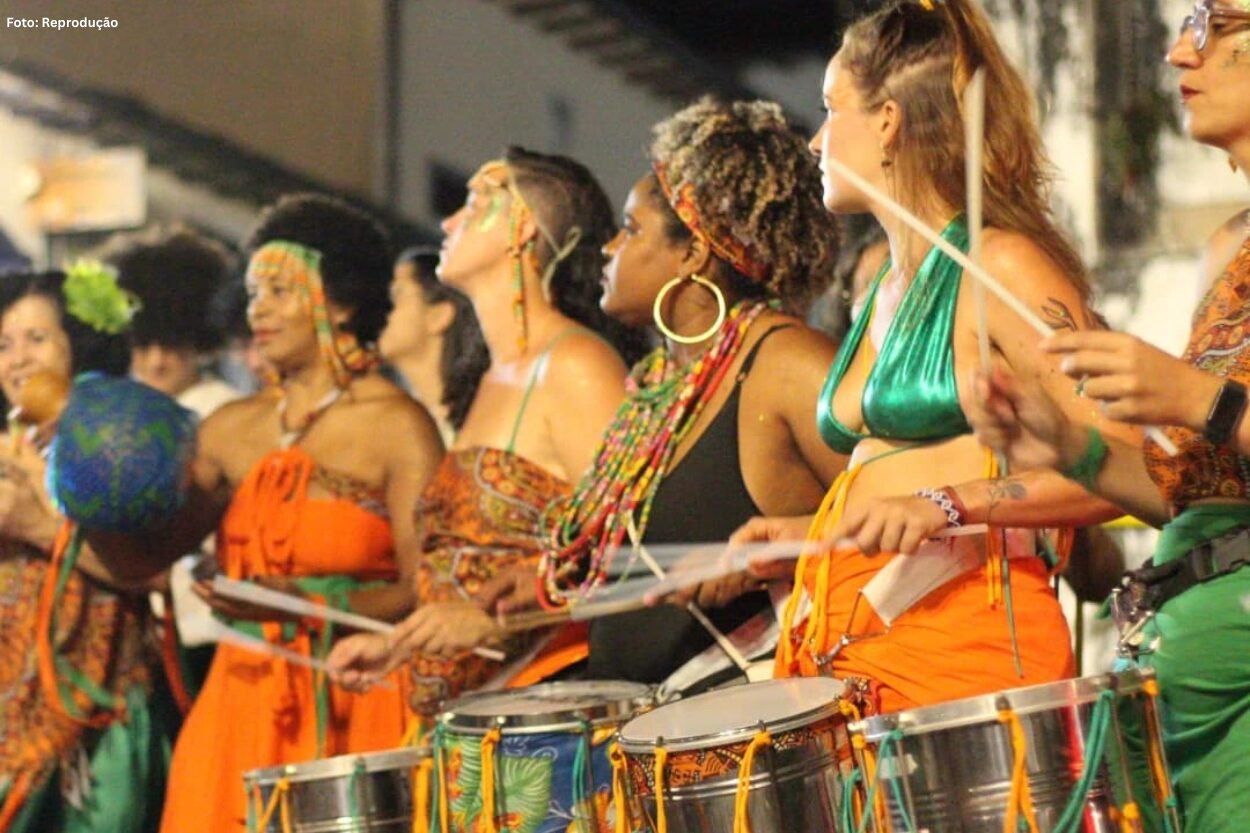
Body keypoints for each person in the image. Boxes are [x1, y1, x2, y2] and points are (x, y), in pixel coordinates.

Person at [731, 0, 1135, 716]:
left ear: (888, 120)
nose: (816, 141)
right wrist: (810, 538)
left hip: (964, 664)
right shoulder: (885, 287)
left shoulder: (999, 265)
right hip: (853, 661)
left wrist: (950, 504)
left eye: (831, 109)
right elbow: (900, 475)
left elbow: (1125, 465)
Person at [964, 2, 1250, 827]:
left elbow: (1213, 412)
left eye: (1210, 24)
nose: (1177, 52)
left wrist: (1198, 397)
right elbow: (1185, 500)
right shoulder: (1228, 247)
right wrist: (1059, 440)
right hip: (1183, 700)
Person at [81, 193, 445, 832]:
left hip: (358, 706)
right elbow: (142, 558)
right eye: (252, 294)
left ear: (342, 301)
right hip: (238, 707)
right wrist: (82, 478)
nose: (259, 311)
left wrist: (305, 603)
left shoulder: (398, 425)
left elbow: (427, 589)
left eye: (279, 290)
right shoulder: (228, 428)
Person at [330, 148, 633, 710]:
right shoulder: (490, 378)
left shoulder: (575, 365)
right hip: (469, 722)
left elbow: (633, 554)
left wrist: (492, 623)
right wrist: (401, 644)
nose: (448, 223)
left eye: (472, 205)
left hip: (550, 713)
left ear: (522, 226)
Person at [0, 266, 170, 832]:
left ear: (80, 344)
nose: (18, 359)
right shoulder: (11, 447)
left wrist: (38, 524)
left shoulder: (119, 442)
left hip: (97, 719)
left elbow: (155, 570)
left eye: (36, 338)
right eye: (4, 344)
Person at [100, 226, 242, 418]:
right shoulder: (114, 411)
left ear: (198, 341)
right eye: (142, 346)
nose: (156, 361)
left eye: (171, 345)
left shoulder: (226, 411)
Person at [378, 246, 488, 443]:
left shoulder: (486, 416)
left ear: (438, 316)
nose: (379, 309)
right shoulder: (391, 428)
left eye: (396, 295)